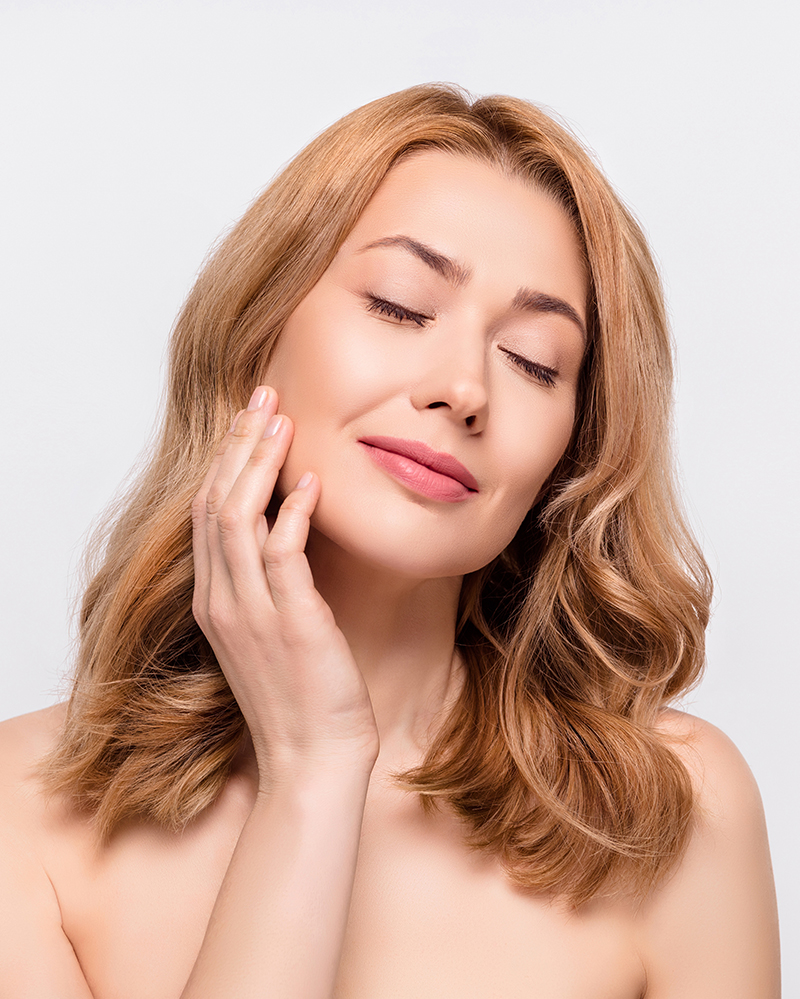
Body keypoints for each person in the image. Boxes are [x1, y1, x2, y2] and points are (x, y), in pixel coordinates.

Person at [0, 84, 780, 998]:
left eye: (534, 360)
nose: (464, 388)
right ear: (258, 332)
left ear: (573, 449)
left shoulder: (668, 813)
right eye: (402, 306)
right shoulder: (22, 817)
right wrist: (312, 771)